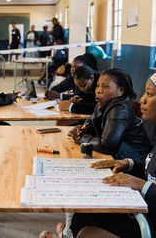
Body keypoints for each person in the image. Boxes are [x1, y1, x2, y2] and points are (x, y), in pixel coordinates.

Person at [66, 72, 156, 238]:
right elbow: (151, 171)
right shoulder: (104, 104)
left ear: (120, 91)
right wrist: (128, 164)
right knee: (82, 213)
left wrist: (141, 185)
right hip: (143, 202)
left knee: (85, 227)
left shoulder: (120, 107)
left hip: (150, 218)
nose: (142, 99)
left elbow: (108, 144)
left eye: (150, 94)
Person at [69, 68, 152, 162]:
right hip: (118, 159)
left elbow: (106, 146)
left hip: (136, 165)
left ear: (120, 90)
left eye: (105, 87)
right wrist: (79, 129)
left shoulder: (120, 108)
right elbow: (87, 128)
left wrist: (80, 139)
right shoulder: (102, 103)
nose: (98, 91)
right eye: (98, 85)